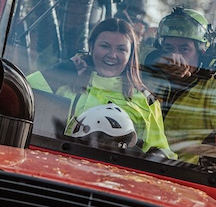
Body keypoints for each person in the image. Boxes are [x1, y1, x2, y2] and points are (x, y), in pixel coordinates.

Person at [27, 18, 173, 157]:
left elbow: (162, 151)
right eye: (105, 46)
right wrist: (62, 70)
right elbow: (23, 90)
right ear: (91, 47)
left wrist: (154, 156)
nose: (112, 55)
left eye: (121, 49)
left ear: (130, 54)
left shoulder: (145, 101)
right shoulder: (65, 85)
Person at [143, 7, 216, 167]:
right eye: (168, 49)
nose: (175, 56)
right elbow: (127, 51)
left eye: (185, 49)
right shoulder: (151, 79)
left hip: (189, 180)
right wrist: (156, 59)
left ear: (204, 53)